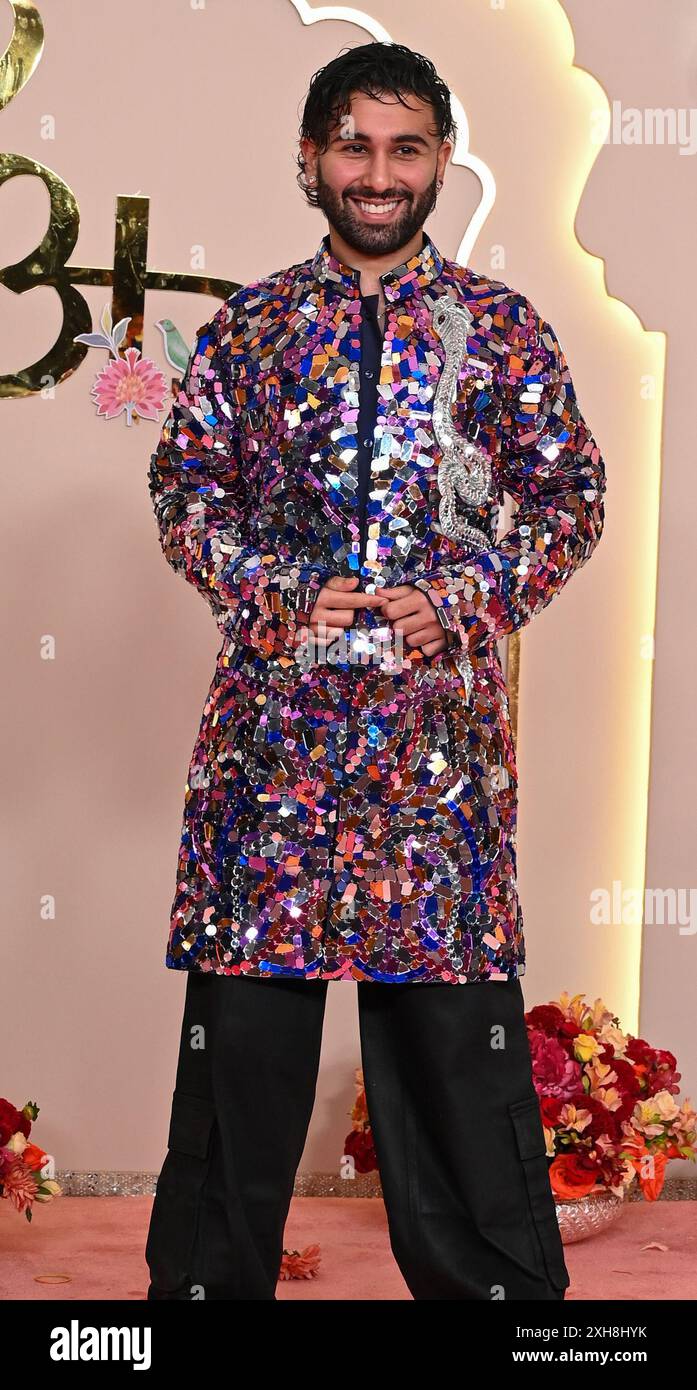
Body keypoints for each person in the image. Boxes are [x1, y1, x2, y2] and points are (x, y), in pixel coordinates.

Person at [145, 41, 606, 1300]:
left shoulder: (499, 331)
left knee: (455, 1050)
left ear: (443, 162)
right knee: (241, 1047)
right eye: (354, 145)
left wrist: (461, 597)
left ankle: (499, 1308)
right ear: (310, 157)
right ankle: (202, 1294)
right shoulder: (254, 328)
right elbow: (184, 491)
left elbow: (570, 499)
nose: (379, 173)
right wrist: (276, 590)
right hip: (275, 746)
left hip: (432, 756)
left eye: (406, 148)